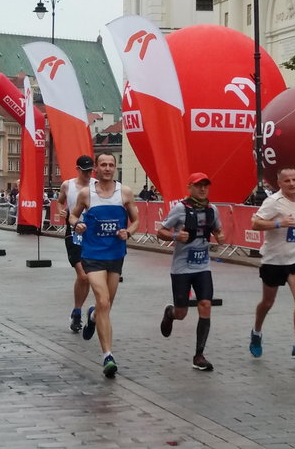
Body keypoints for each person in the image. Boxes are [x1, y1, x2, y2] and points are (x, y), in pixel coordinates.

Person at [69, 153, 139, 378]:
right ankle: (107, 355)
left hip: (115, 254)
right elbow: (72, 216)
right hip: (93, 253)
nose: (107, 168)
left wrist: (127, 232)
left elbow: (136, 220)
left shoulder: (124, 192)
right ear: (96, 169)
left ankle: (92, 317)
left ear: (115, 168)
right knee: (103, 300)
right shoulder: (86, 193)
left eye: (111, 165)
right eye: (103, 165)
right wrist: (77, 224)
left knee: (106, 306)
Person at [156, 172, 225, 371]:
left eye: (206, 185)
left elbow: (217, 230)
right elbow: (160, 232)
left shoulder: (212, 210)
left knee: (205, 305)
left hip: (203, 266)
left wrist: (220, 236)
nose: (202, 189)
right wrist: (176, 235)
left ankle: (199, 355)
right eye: (198, 185)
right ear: (190, 187)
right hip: (181, 268)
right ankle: (170, 313)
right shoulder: (180, 209)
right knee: (182, 313)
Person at [249, 166, 295, 361]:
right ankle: (256, 332)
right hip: (274, 260)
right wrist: (278, 223)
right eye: (287, 181)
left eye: (294, 179)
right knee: (268, 303)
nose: (292, 184)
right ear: (279, 183)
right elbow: (255, 223)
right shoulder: (273, 202)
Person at [56, 154, 95, 334]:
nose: (88, 174)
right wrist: (62, 213)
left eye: (90, 170)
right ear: (78, 169)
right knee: (83, 275)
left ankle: (77, 311)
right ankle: (78, 312)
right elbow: (59, 201)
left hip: (92, 233)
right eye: (85, 170)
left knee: (86, 276)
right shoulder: (68, 185)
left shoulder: (97, 185)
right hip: (73, 232)